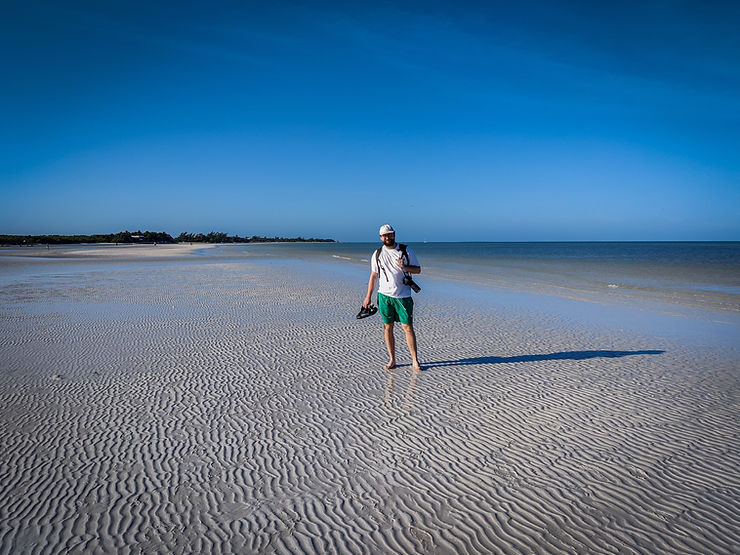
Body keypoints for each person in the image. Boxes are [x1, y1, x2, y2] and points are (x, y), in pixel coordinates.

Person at [363, 224, 423, 371]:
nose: (387, 237)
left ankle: (415, 360)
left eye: (389, 234)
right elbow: (374, 276)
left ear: (394, 234)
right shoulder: (377, 254)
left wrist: (404, 267)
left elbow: (418, 270)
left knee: (407, 327)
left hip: (403, 296)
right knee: (388, 327)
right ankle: (392, 359)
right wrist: (367, 297)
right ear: (380, 237)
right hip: (384, 296)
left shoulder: (405, 250)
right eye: (384, 235)